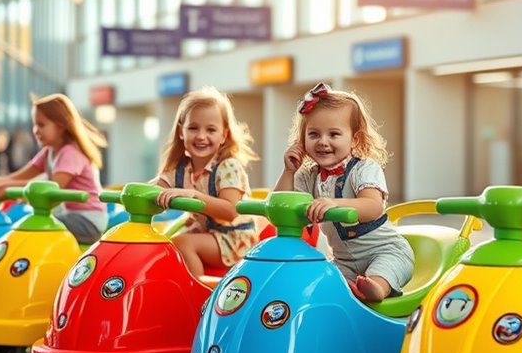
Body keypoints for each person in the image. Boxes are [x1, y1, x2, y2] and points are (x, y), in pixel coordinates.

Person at [274, 83, 414, 302]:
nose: (323, 142)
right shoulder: (307, 176)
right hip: (343, 262)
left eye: (334, 134)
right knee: (322, 291)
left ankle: (378, 288)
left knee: (384, 270)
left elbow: (373, 206)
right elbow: (282, 208)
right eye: (313, 134)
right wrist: (288, 171)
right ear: (302, 140)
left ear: (355, 139)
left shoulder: (364, 168)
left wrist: (335, 203)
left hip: (385, 251)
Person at [154, 86, 259, 278]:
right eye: (193, 128)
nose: (201, 136)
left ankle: (197, 296)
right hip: (203, 232)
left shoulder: (227, 167)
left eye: (211, 129)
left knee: (182, 243)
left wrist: (194, 195)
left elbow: (230, 210)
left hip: (234, 238)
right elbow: (154, 189)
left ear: (224, 135)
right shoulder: (179, 169)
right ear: (181, 131)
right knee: (159, 244)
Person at [0, 93, 108, 244]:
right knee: (30, 223)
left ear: (60, 126)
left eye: (41, 125)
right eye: (34, 124)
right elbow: (22, 175)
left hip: (89, 221)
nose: (35, 130)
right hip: (72, 215)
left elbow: (52, 191)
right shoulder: (49, 152)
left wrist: (7, 187)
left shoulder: (70, 153)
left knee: (37, 227)